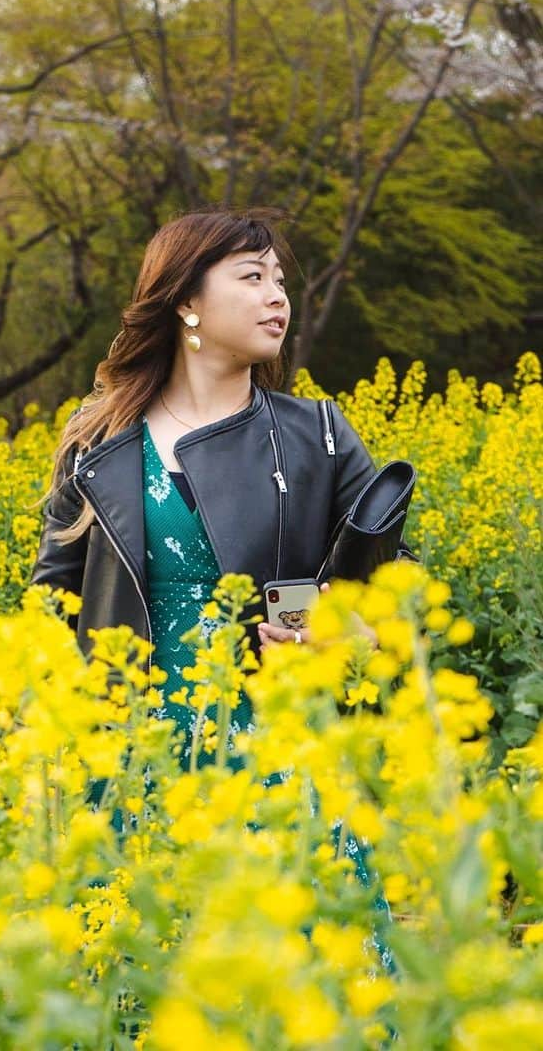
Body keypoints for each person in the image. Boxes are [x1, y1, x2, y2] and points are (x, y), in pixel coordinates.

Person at [31, 207, 412, 763]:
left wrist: (355, 632)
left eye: (279, 282)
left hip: (279, 745)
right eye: (252, 277)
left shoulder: (318, 434)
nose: (278, 297)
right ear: (186, 301)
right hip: (129, 754)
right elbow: (52, 611)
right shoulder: (98, 443)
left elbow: (396, 577)